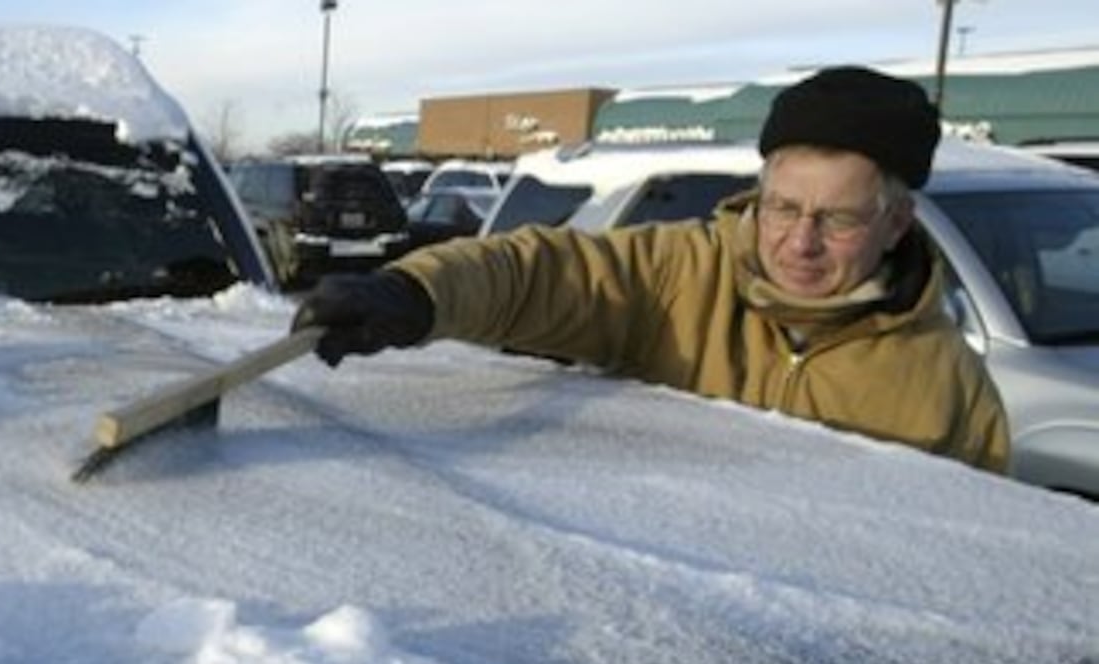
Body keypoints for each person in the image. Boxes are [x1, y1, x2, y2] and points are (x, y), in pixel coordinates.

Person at [293, 66, 1010, 473]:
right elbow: (542, 271)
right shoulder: (678, 277)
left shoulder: (951, 395)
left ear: (895, 222)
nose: (799, 242)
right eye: (782, 208)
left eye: (838, 220)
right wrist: (416, 292)